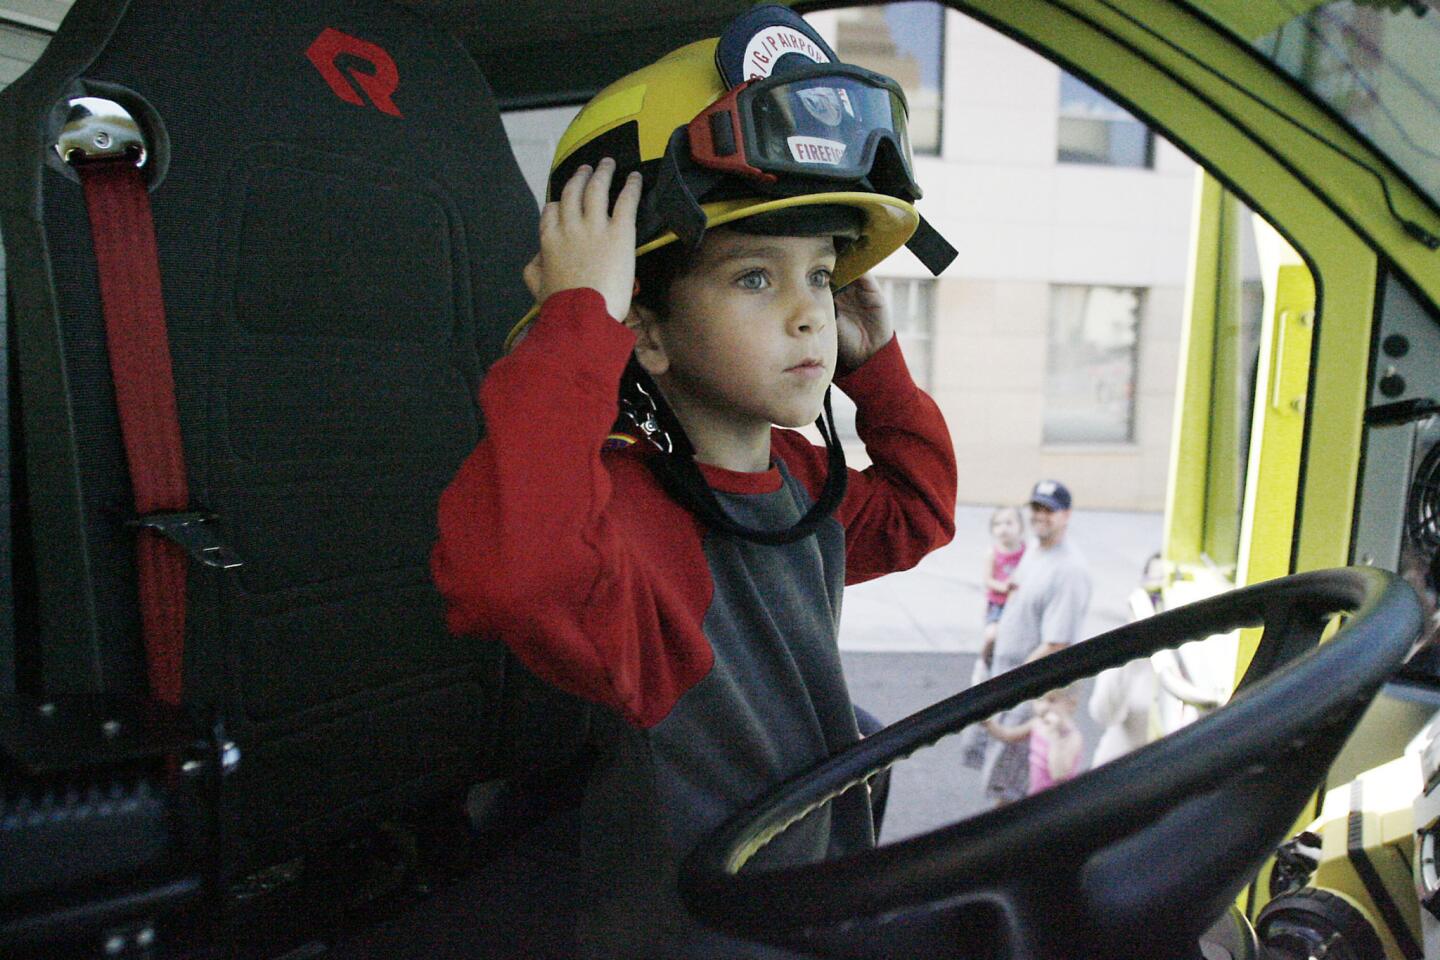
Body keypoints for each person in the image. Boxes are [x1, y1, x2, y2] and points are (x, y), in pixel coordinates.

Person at [431, 7, 957, 957]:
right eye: (756, 279)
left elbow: (919, 513)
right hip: (700, 932)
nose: (809, 315)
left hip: (814, 897)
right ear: (647, 329)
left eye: (823, 275)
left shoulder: (800, 479)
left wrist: (874, 366)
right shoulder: (627, 516)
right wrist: (578, 314)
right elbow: (511, 575)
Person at [979, 479, 1092, 805]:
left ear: (1066, 515)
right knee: (1002, 783)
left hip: (1028, 694)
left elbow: (1057, 643)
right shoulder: (1034, 552)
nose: (1041, 516)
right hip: (1008, 683)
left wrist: (1016, 685)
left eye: (1050, 511)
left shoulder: (1069, 571)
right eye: (1037, 508)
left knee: (1015, 792)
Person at [959, 505, 1024, 769]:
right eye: (998, 524)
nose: (1004, 529)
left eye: (1009, 523)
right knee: (992, 634)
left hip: (1016, 604)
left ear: (1020, 527)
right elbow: (989, 581)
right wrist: (1004, 586)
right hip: (998, 605)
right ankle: (985, 660)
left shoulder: (1026, 553)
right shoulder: (994, 553)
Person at [983, 686, 1084, 796]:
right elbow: (1009, 736)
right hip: (1035, 791)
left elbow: (1058, 774)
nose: (1044, 707)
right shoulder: (1037, 723)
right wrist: (989, 724)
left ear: (1071, 704)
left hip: (1059, 798)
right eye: (1039, 700)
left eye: (1052, 701)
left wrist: (1055, 738)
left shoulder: (1071, 737)